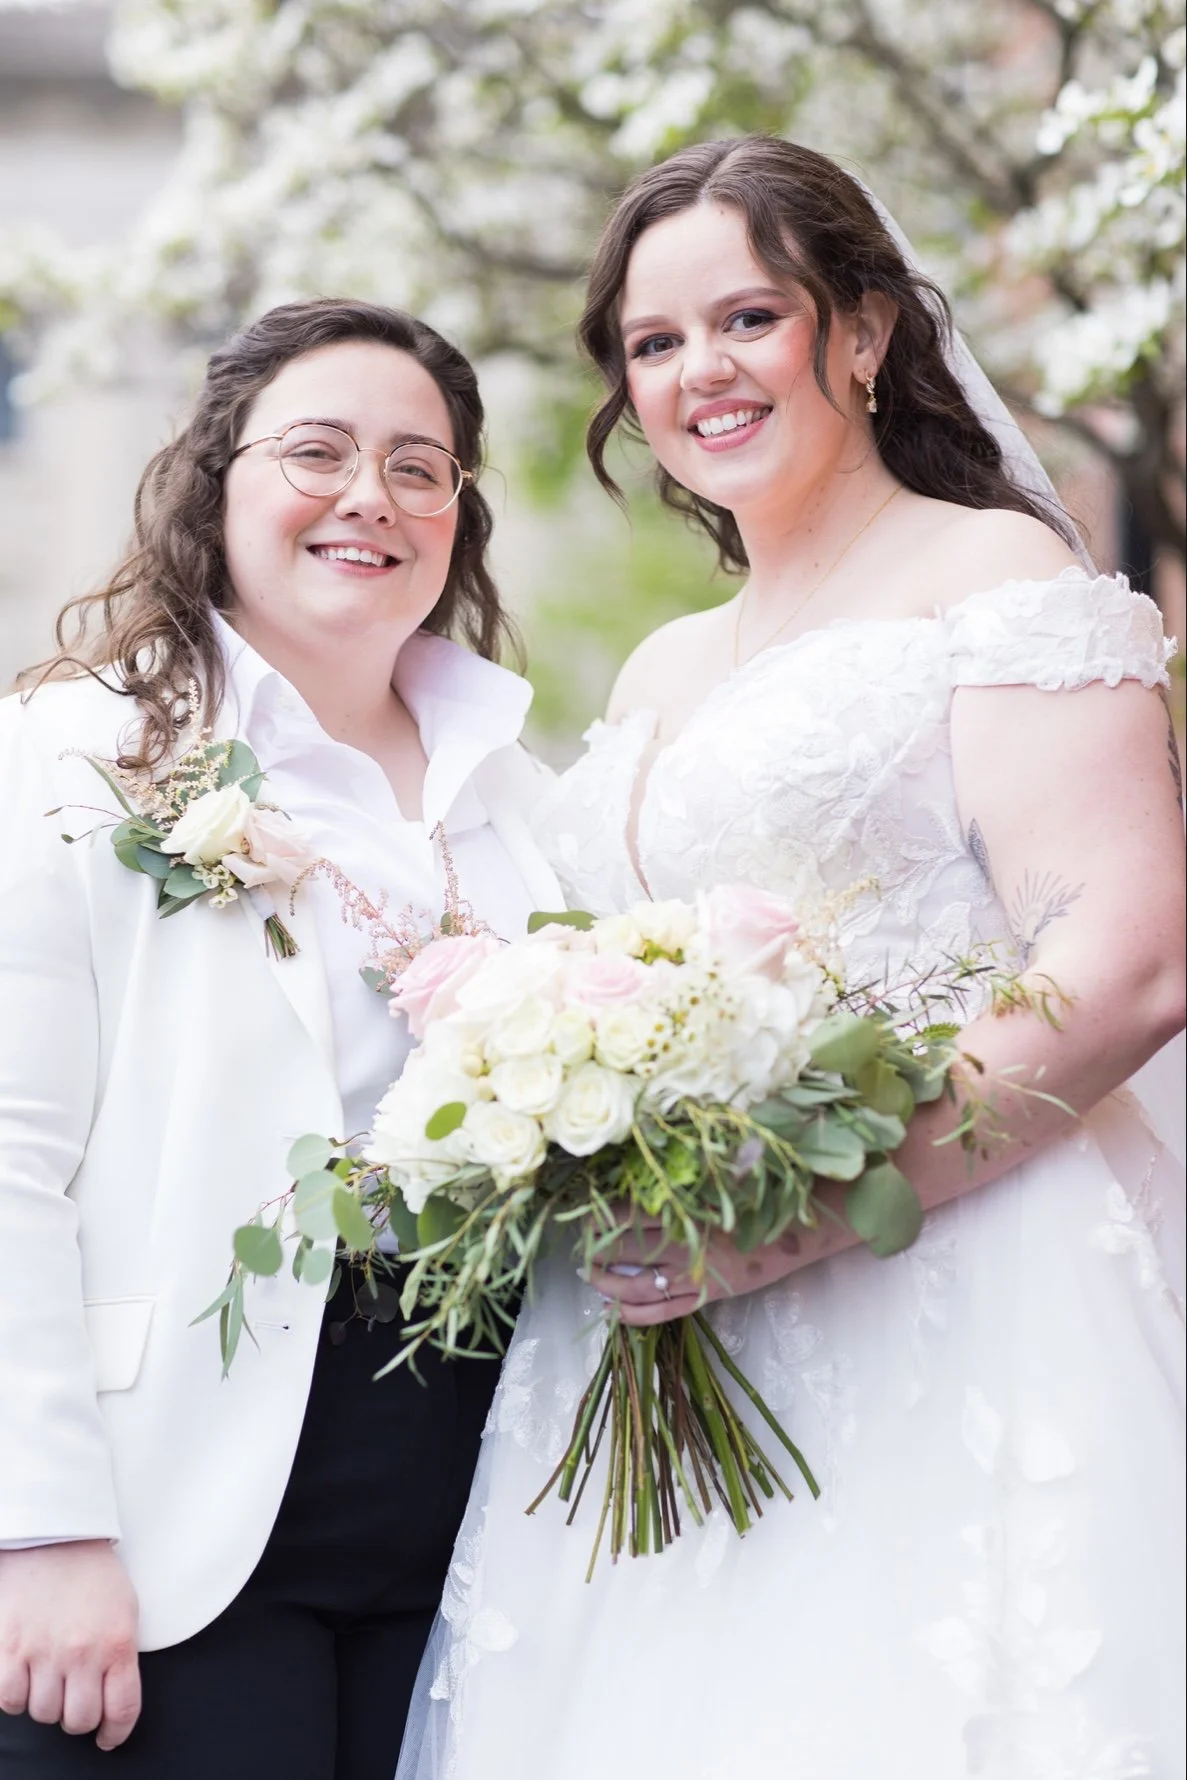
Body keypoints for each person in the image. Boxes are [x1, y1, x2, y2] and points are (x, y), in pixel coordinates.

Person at [396, 138, 1186, 1780]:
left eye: (746, 316)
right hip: (667, 1322)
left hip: (951, 1271)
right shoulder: (663, 662)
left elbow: (1121, 965)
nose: (699, 373)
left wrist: (814, 1212)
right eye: (655, 342)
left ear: (865, 330)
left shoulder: (993, 574)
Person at [0, 297, 563, 1779]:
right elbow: (8, 1156)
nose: (369, 497)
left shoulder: (522, 797)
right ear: (216, 479)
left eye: (418, 466)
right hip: (179, 1492)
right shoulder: (75, 754)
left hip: (479, 1491)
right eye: (317, 452)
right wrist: (41, 1529)